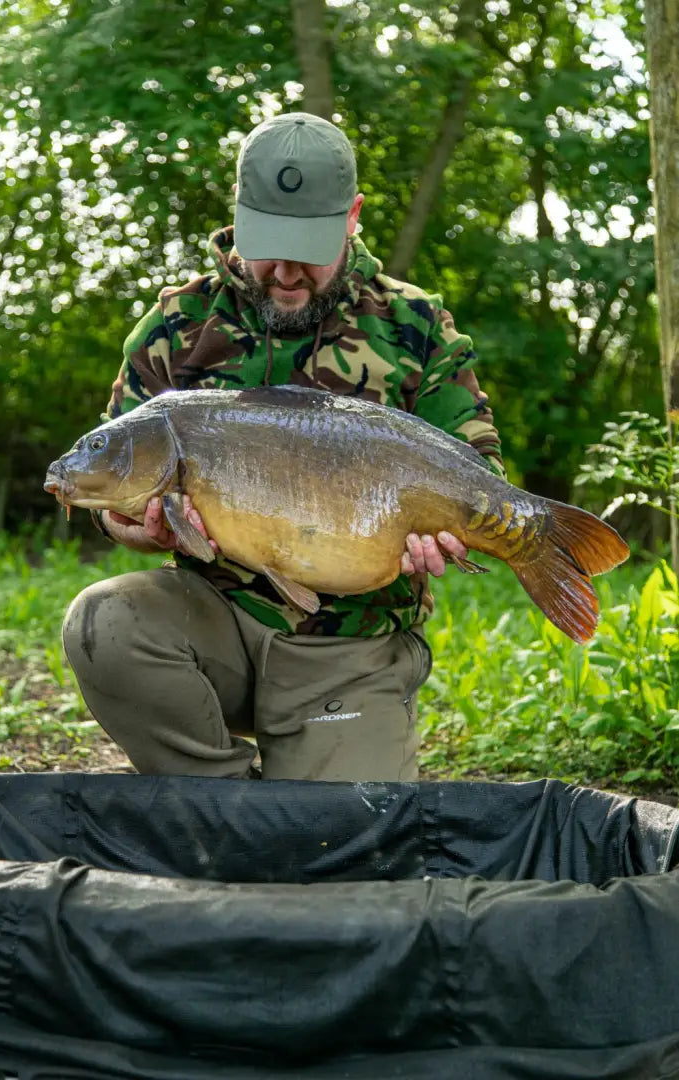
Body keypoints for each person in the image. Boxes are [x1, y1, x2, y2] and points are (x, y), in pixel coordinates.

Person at [62, 111, 504, 783]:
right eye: (268, 243)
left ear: (352, 217)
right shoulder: (176, 326)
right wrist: (133, 527)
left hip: (349, 651)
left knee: (340, 850)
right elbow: (114, 486)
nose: (288, 271)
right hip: (216, 629)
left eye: (309, 246)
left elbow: (479, 480)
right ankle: (219, 795)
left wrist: (449, 537)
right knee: (105, 622)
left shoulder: (415, 327)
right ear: (237, 217)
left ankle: (309, 777)